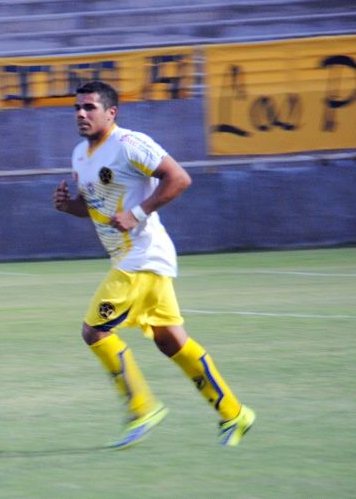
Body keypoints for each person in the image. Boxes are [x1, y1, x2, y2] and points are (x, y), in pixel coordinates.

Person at [52, 81, 255, 449]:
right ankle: (234, 413)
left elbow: (179, 178)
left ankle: (142, 408)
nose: (81, 113)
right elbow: (93, 205)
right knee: (170, 340)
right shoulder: (80, 154)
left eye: (89, 107)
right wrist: (70, 206)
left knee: (94, 331)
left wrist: (139, 212)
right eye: (77, 108)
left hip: (142, 255)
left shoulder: (130, 143)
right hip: (130, 258)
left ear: (111, 112)